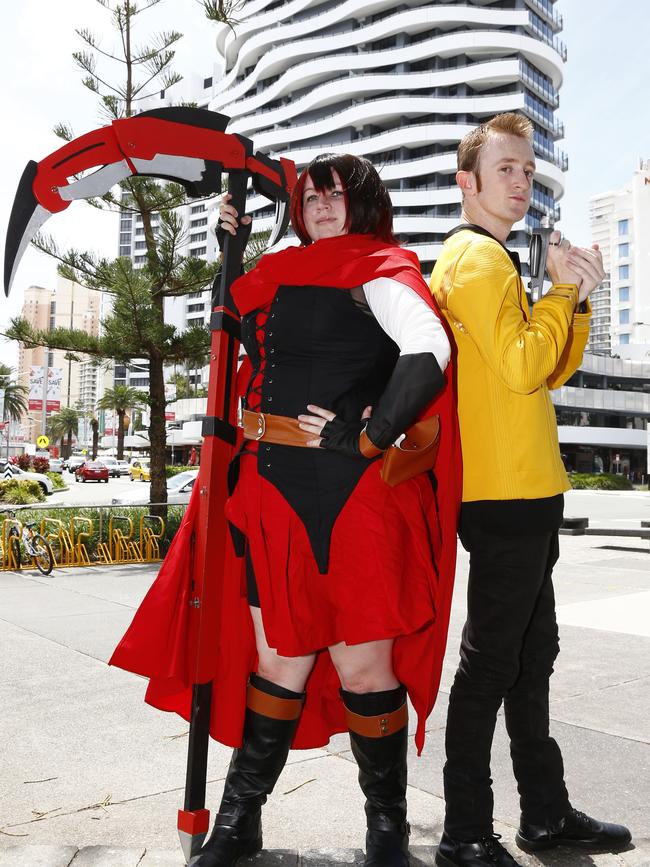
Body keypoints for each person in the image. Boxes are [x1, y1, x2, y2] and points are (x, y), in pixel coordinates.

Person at [112, 153, 461, 867]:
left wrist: (371, 434)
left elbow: (429, 347)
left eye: (336, 195)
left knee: (364, 668)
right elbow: (236, 327)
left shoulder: (378, 267)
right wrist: (232, 252)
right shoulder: (279, 272)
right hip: (271, 489)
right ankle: (241, 821)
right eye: (312, 195)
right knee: (278, 662)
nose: (323, 205)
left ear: (362, 203)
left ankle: (386, 833)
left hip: (354, 496)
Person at [429, 113, 631, 867]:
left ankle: (543, 813)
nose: (520, 182)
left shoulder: (494, 261)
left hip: (524, 491)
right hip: (507, 495)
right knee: (491, 664)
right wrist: (558, 294)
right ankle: (465, 829)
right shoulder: (478, 261)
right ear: (468, 182)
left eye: (527, 172)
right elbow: (522, 366)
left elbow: (547, 369)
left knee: (528, 656)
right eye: (505, 168)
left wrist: (572, 300)